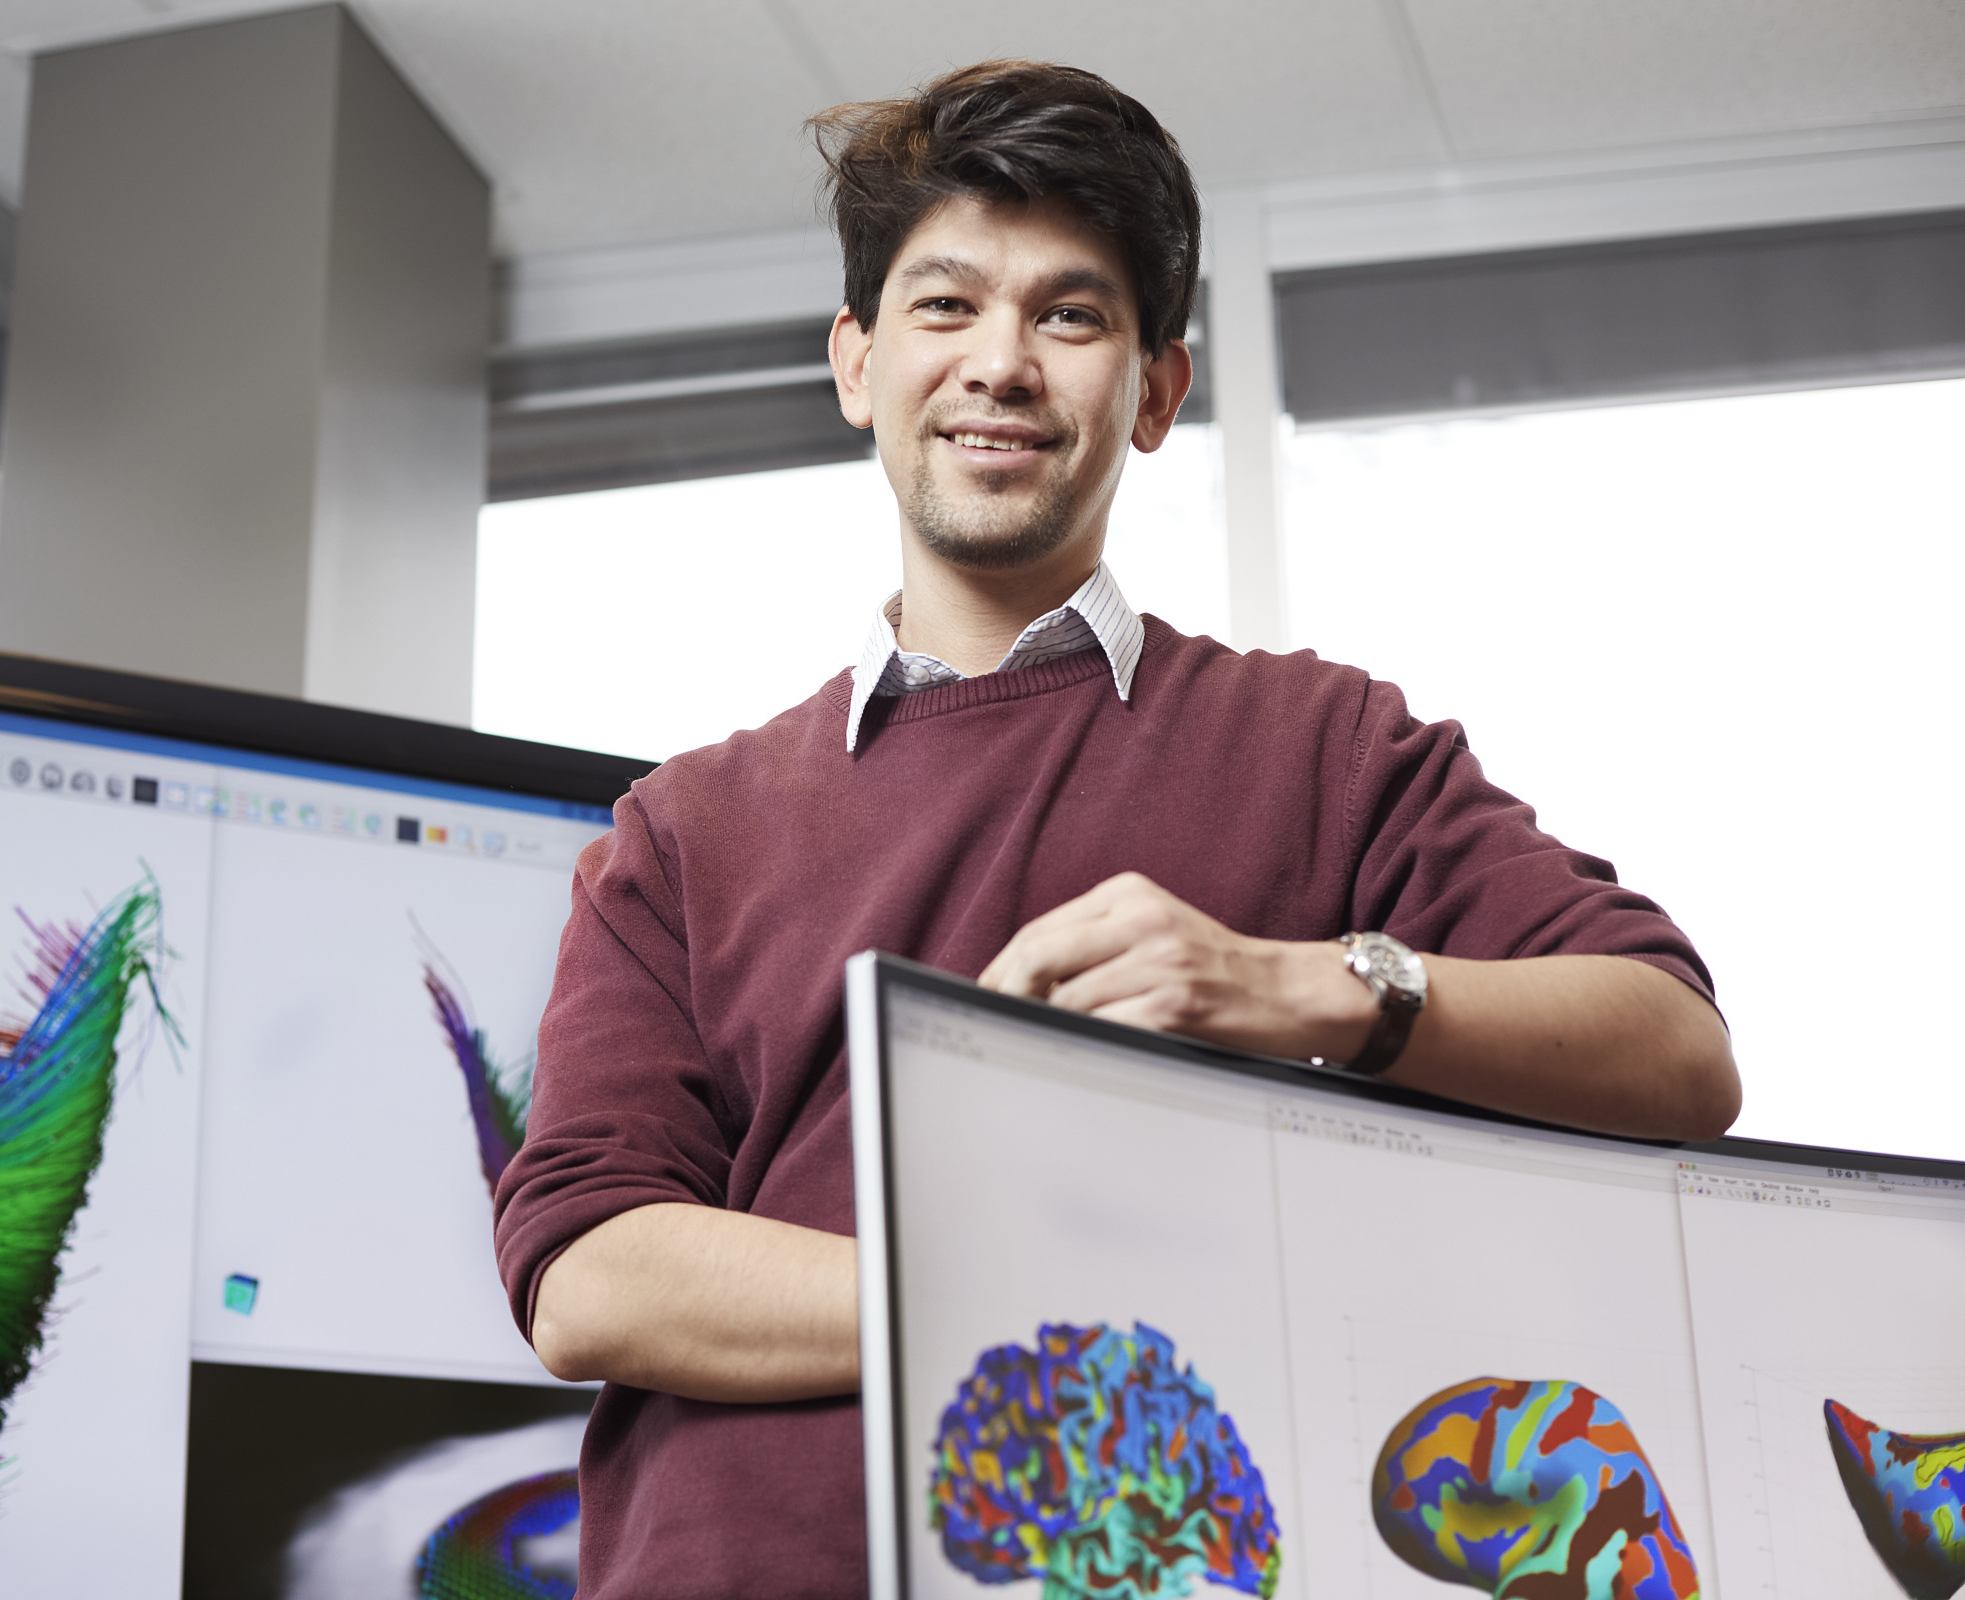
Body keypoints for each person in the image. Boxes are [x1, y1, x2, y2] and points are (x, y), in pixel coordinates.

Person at [492, 59, 1738, 1597]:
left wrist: (1291, 988)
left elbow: (1674, 1053)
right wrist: (1013, 1297)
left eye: (1069, 316)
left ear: (1154, 392)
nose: (999, 363)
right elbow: (588, 1273)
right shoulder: (678, 834)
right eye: (944, 307)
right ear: (856, 363)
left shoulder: (1323, 747)